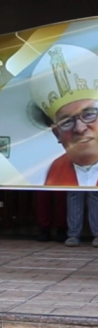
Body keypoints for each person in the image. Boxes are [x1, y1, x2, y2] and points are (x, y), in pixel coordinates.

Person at [31, 45, 98, 247]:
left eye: (89, 114)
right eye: (67, 121)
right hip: (70, 174)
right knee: (73, 197)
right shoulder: (55, 168)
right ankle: (73, 233)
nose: (80, 128)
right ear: (56, 133)